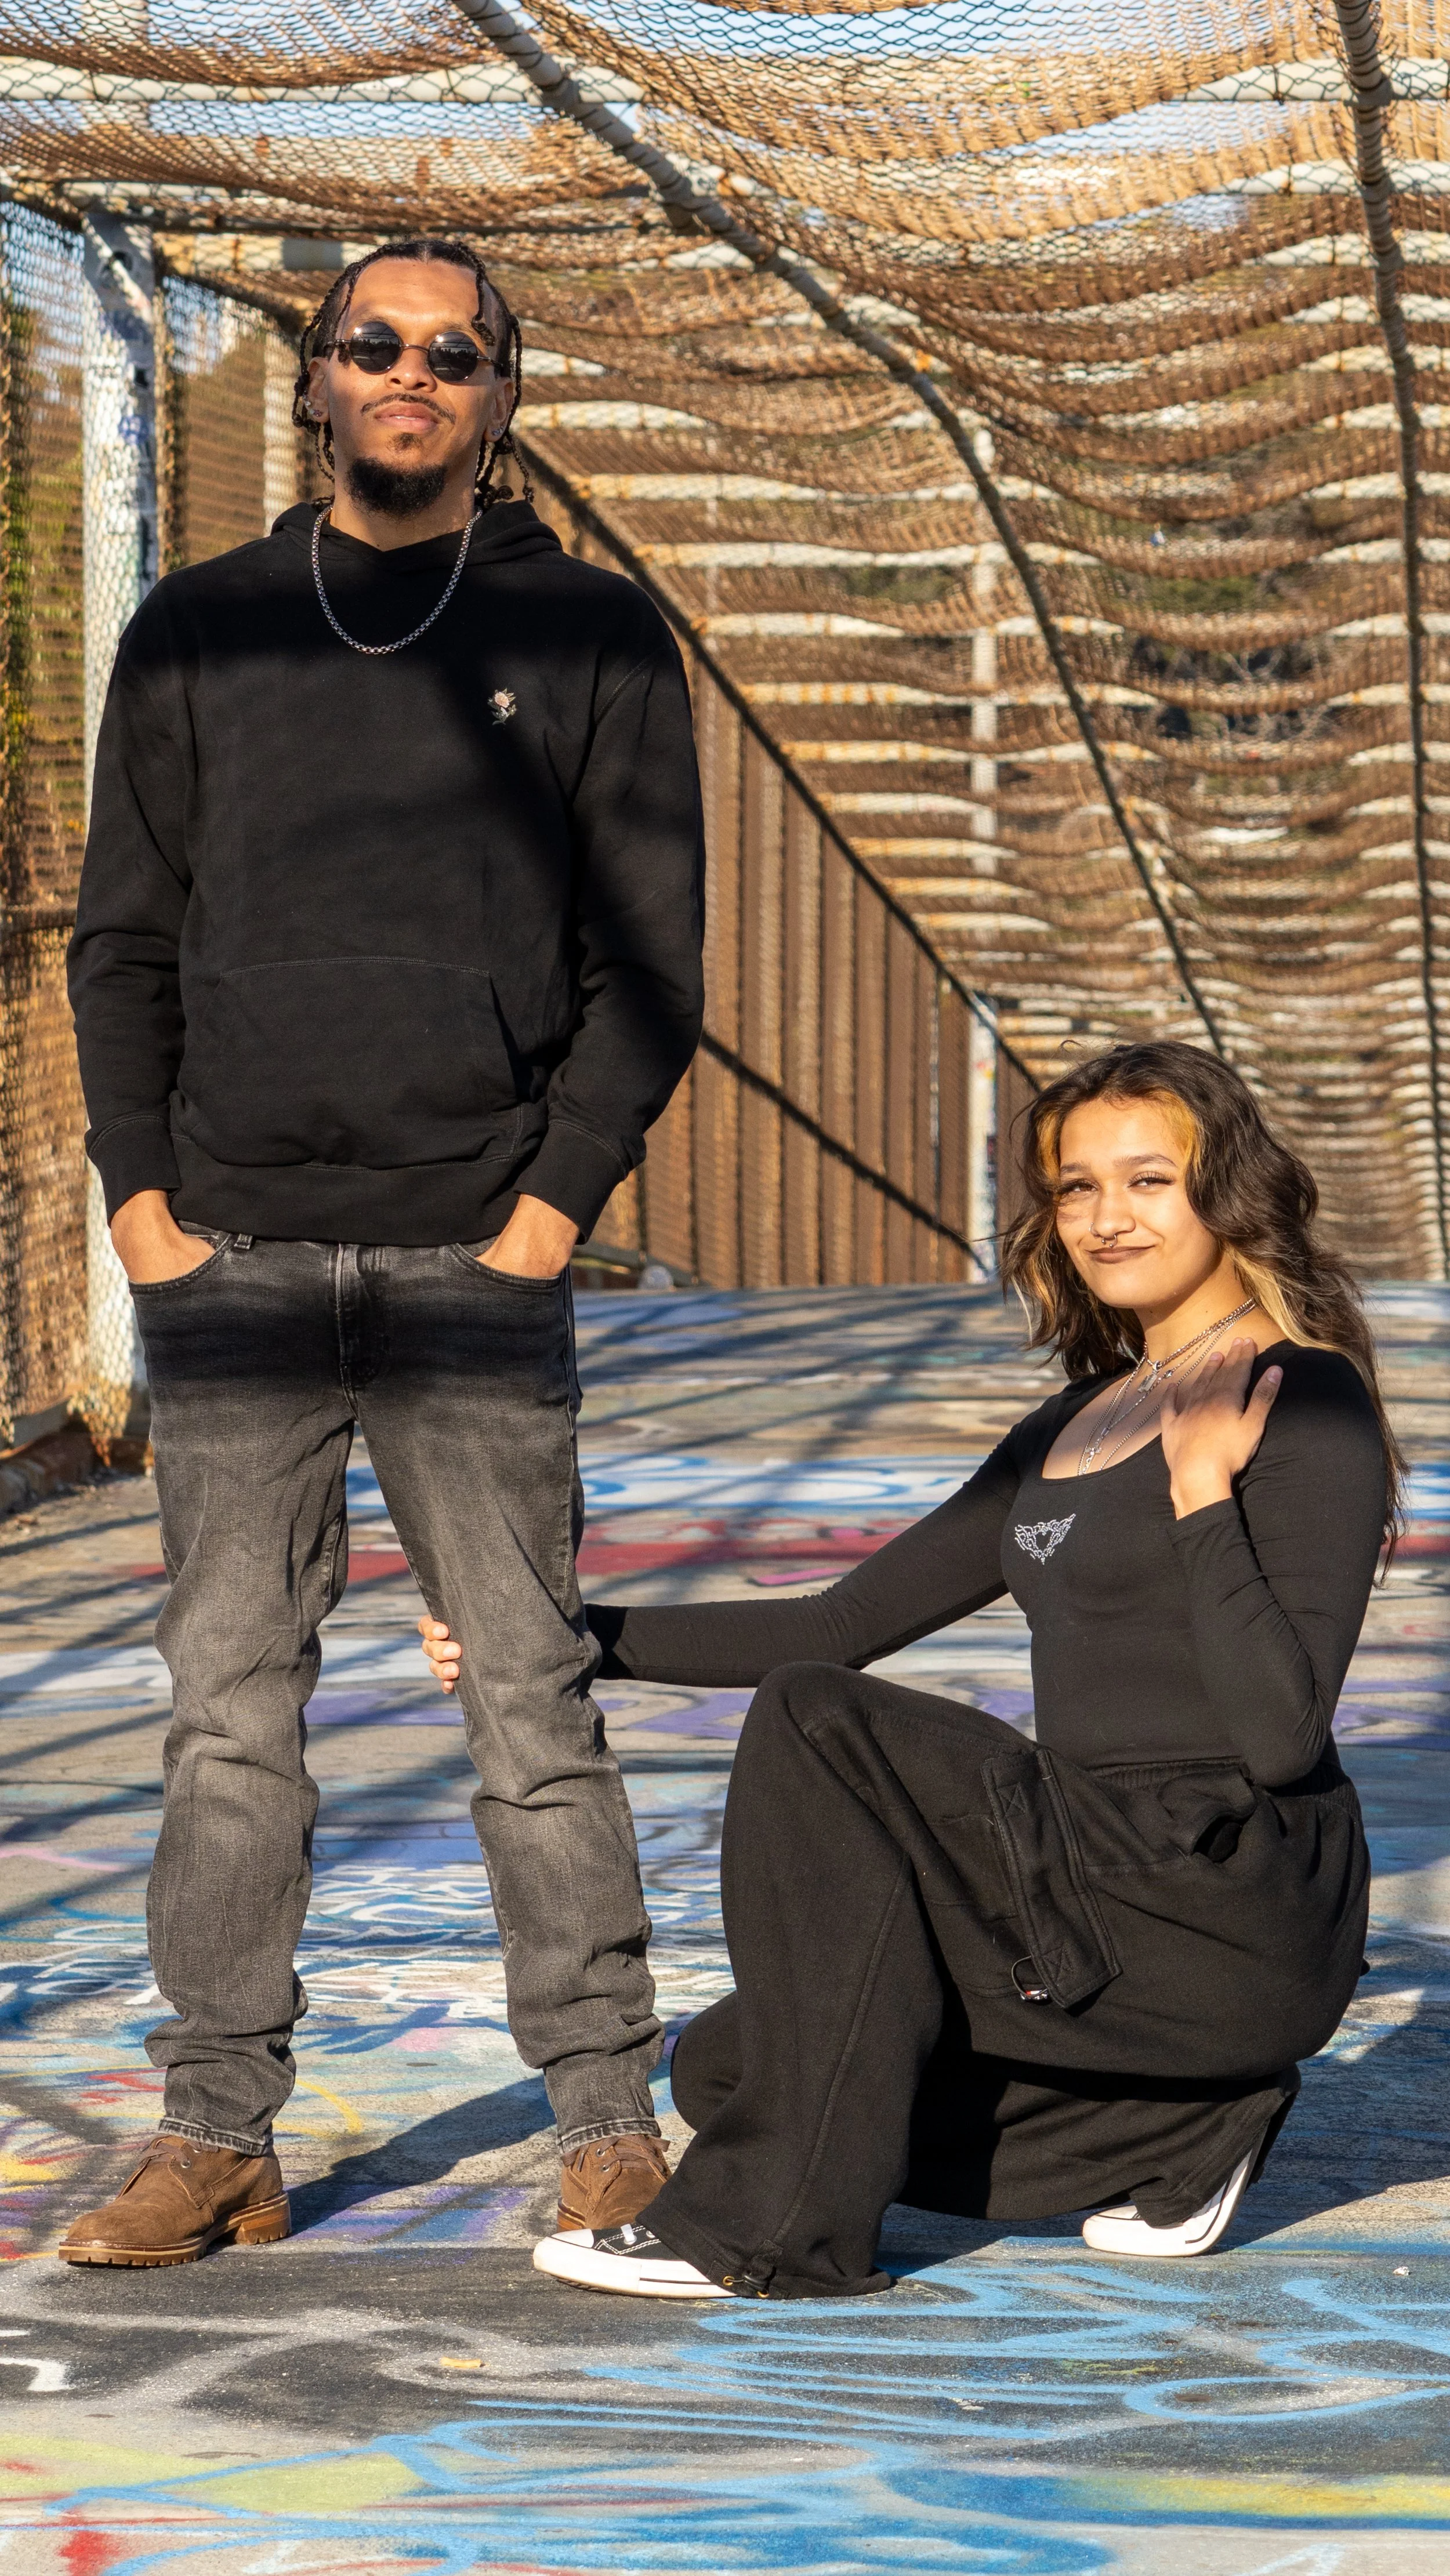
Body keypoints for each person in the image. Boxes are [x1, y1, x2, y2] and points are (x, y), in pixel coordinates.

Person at [60, 234, 705, 2267]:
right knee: (227, 1717)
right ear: (319, 377)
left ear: (501, 393)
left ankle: (608, 2121)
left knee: (527, 1699)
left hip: (471, 1268)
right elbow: (121, 937)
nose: (411, 371)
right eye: (374, 343)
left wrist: (544, 1215)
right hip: (234, 1258)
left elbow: (651, 965)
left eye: (454, 350)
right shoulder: (202, 628)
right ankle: (216, 2134)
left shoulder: (590, 632)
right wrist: (144, 1209)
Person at [423, 1039, 1397, 2298]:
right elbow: (836, 1621)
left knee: (819, 1725)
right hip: (1087, 1882)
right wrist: (562, 1633)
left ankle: (771, 2231)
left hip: (1227, 1895)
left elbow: (1280, 1734)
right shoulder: (1074, 1421)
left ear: (1227, 1193)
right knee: (736, 2065)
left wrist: (1202, 1495)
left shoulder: (1301, 1398)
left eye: (1148, 1180)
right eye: (1077, 1187)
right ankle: (1178, 2128)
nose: (1106, 1217)